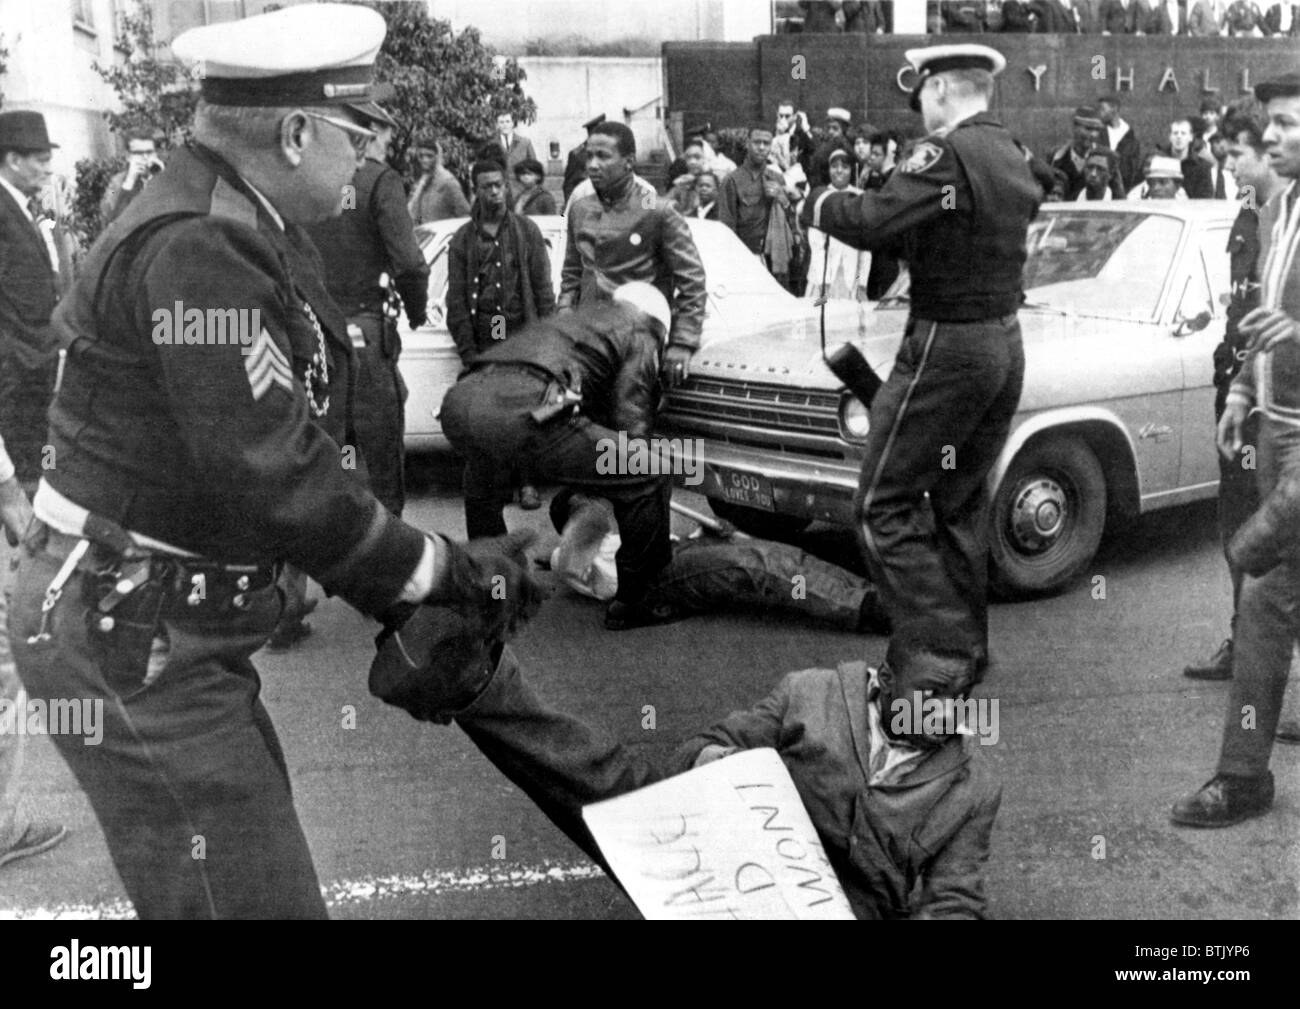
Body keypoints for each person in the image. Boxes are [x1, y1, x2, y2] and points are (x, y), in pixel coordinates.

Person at [8, 4, 542, 919]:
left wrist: (399, 583)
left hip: (156, 623)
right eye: (358, 131)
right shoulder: (203, 243)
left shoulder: (234, 221)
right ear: (295, 133)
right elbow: (275, 471)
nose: (369, 158)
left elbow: (278, 448)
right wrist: (439, 570)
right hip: (135, 632)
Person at [369, 610, 1000, 919]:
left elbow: (953, 902)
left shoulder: (972, 787)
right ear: (886, 681)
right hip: (735, 864)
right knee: (620, 786)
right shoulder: (811, 691)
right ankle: (478, 684)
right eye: (931, 694)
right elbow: (714, 739)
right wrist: (715, 760)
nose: (945, 712)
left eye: (959, 698)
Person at [800, 42, 1043, 680]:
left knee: (882, 504)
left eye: (923, 97)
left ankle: (937, 653)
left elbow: (874, 220)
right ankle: (967, 651)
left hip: (948, 341)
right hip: (1003, 341)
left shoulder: (947, 153)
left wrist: (818, 202)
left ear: (938, 89)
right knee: (959, 500)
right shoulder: (1012, 153)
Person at [1172, 71, 1300, 826]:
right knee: (1269, 599)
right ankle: (1246, 774)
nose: (1272, 135)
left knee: (1258, 573)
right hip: (1278, 428)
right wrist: (1245, 397)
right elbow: (1264, 320)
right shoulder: (1282, 209)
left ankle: (1243, 774)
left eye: (1286, 123)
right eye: (1272, 123)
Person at [441, 286, 676, 629]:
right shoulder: (642, 329)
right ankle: (637, 602)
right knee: (649, 473)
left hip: (461, 401)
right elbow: (629, 417)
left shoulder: (578, 319)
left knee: (483, 488)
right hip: (525, 409)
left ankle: (495, 589)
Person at [305, 89, 428, 520]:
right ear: (370, 131)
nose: (387, 148)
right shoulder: (380, 180)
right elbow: (410, 263)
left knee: (330, 447)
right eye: (387, 139)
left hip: (313, 330)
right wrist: (417, 311)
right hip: (366, 331)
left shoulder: (309, 177)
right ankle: (386, 564)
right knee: (380, 452)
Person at [1185, 98, 1275, 683]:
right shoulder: (1247, 206)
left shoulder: (1289, 214)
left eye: (1239, 153)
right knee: (1237, 522)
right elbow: (1240, 297)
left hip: (1281, 399)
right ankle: (1245, 644)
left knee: (1280, 535)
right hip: (1239, 383)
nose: (1232, 166)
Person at [0, 116, 70, 871]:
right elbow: (14, 333)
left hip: (19, 427)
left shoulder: (26, 217)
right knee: (6, 658)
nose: (47, 167)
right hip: (12, 428)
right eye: (38, 158)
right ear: (11, 159)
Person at [549, 492, 891, 633]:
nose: (598, 507)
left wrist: (711, 534)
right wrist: (583, 515)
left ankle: (873, 595)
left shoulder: (612, 531)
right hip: (655, 580)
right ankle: (865, 608)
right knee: (760, 564)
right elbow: (604, 581)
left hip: (677, 555)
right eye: (586, 506)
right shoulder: (573, 556)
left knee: (779, 553)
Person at [560, 120, 706, 391]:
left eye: (603, 156)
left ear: (628, 162)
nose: (592, 164)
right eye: (589, 156)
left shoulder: (657, 210)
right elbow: (571, 273)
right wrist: (565, 317)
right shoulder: (580, 208)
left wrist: (683, 342)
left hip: (635, 347)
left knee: (630, 427)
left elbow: (692, 281)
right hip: (586, 342)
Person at [447, 159, 556, 517]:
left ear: (506, 186)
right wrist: (468, 352)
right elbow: (457, 301)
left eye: (498, 184)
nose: (493, 191)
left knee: (522, 410)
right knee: (487, 416)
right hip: (484, 341)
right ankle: (497, 485)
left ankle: (526, 482)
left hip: (521, 336)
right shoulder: (463, 239)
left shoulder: (526, 232)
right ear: (474, 189)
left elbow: (543, 291)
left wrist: (546, 342)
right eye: (485, 186)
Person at [720, 125, 797, 285]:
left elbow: (790, 222)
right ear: (747, 143)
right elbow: (726, 229)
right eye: (757, 142)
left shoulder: (777, 177)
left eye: (766, 143)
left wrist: (783, 198)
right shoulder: (732, 180)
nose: (761, 147)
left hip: (774, 258)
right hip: (746, 257)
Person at [805, 149, 871, 301]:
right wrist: (824, 283)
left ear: (851, 170)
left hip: (851, 275)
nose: (839, 171)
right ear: (828, 170)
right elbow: (817, 246)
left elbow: (866, 245)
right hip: (822, 274)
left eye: (845, 167)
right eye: (834, 166)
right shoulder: (820, 197)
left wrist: (862, 284)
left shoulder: (860, 197)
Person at [1049, 106, 1120, 200]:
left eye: (1097, 130)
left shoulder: (1107, 157)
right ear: (1074, 128)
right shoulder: (1056, 157)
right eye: (1088, 129)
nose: (1093, 134)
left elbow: (1119, 198)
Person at [99, 132, 165, 225]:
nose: (145, 157)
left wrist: (164, 176)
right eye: (139, 153)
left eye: (149, 152)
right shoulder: (117, 182)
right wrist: (129, 182)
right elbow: (107, 214)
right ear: (129, 157)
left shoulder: (163, 175)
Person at [406, 136, 469, 225]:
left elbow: (465, 216)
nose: (425, 160)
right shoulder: (422, 182)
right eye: (421, 156)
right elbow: (417, 215)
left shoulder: (448, 182)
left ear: (437, 157)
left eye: (429, 156)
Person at [1098, 93, 1142, 193]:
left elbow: (1133, 170)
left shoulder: (1131, 139)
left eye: (1103, 109)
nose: (1100, 113)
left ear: (1114, 109)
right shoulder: (1098, 134)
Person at [1162, 117, 1214, 197]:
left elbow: (1206, 201)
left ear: (1191, 137)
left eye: (1183, 133)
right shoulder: (1159, 162)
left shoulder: (1202, 167)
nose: (1179, 137)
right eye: (1175, 133)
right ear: (1170, 137)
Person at [563, 114, 605, 206]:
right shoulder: (577, 154)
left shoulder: (612, 151)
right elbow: (569, 185)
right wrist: (570, 206)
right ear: (592, 133)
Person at [808, 107, 854, 188]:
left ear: (844, 131)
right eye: (828, 128)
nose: (830, 132)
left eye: (835, 128)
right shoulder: (821, 148)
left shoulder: (849, 149)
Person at [494, 111, 536, 195]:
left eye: (507, 121)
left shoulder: (525, 143)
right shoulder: (492, 144)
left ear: (513, 123)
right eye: (501, 122)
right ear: (497, 125)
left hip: (521, 190)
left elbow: (534, 168)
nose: (505, 125)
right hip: (499, 191)